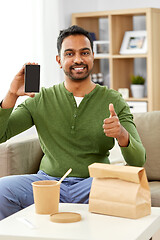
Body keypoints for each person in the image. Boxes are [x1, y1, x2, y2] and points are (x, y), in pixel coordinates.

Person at [0, 25, 146, 220]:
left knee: (130, 188)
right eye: (70, 54)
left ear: (93, 56)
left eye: (84, 52)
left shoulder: (114, 99)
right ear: (59, 61)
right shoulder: (40, 99)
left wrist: (121, 134)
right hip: (48, 183)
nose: (78, 59)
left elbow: (138, 160)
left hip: (93, 184)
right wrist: (11, 95)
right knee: (2, 189)